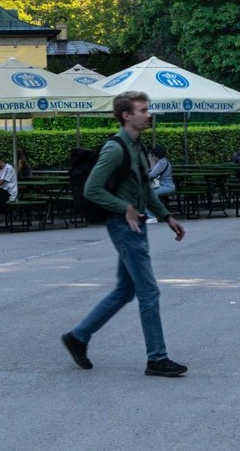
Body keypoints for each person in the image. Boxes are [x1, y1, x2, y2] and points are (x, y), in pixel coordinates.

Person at [61, 92, 187, 377]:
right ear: (126, 115)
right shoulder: (115, 148)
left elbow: (144, 188)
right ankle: (157, 358)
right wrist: (125, 207)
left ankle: (78, 336)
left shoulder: (139, 147)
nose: (149, 114)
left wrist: (166, 215)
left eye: (148, 109)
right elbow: (92, 189)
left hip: (135, 223)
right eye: (143, 110)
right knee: (148, 291)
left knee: (125, 290)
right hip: (124, 226)